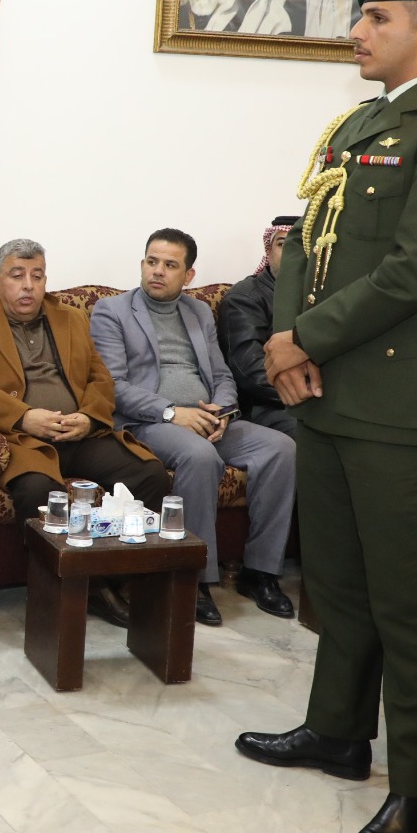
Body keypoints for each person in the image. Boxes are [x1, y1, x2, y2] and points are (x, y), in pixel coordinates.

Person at [236, 0, 417, 833]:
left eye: (376, 17)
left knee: (406, 600)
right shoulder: (357, 125)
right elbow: (302, 246)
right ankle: (337, 732)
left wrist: (302, 338)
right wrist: (286, 341)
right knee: (339, 584)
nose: (356, 30)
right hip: (326, 392)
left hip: (396, 402)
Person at [0, 239, 170, 628]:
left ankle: (118, 579)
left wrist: (89, 418)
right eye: (17, 276)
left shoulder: (71, 318)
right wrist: (24, 417)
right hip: (21, 440)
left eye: (37, 275)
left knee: (149, 475)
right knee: (39, 492)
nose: (28, 286)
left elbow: (100, 377)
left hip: (78, 434)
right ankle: (84, 590)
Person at [89, 229, 297, 625]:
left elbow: (221, 374)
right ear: (142, 264)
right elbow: (111, 385)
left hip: (206, 418)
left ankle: (261, 572)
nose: (157, 271)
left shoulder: (199, 311)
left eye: (170, 265)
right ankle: (194, 578)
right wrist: (172, 412)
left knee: (281, 448)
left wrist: (224, 410)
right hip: (149, 421)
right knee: (200, 456)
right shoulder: (111, 311)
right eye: (152, 262)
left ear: (188, 275)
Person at [218, 216, 299, 433]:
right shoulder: (245, 297)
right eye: (282, 244)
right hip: (266, 406)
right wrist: (305, 391)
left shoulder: (319, 295)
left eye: (300, 244)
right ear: (269, 251)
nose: (291, 252)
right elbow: (249, 372)